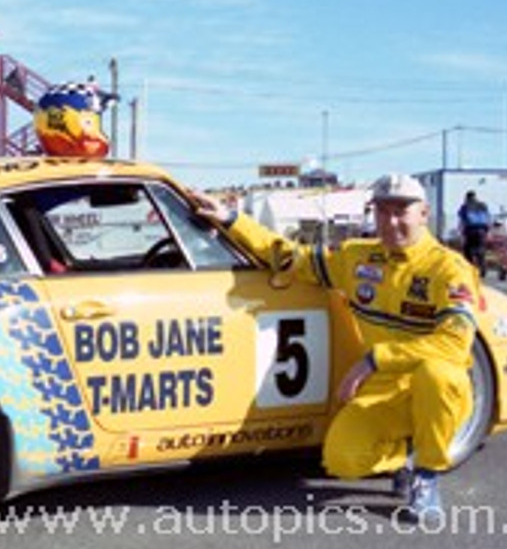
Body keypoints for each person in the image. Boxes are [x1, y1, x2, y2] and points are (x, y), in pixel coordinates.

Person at [196, 173, 478, 523]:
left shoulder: (449, 269)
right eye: (382, 211)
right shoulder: (357, 258)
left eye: (401, 211)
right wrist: (233, 220)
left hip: (432, 385)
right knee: (342, 459)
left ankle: (427, 475)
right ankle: (406, 453)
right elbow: (291, 257)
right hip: (384, 391)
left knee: (440, 374)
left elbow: (454, 343)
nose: (391, 222)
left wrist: (375, 359)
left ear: (424, 213)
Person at [457, 190, 492, 275]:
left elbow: (462, 220)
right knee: (481, 249)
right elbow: (488, 218)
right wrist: (487, 231)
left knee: (467, 250)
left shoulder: (465, 207)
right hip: (482, 230)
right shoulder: (483, 205)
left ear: (467, 197)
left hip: (470, 231)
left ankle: (470, 268)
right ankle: (483, 268)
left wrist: (461, 233)